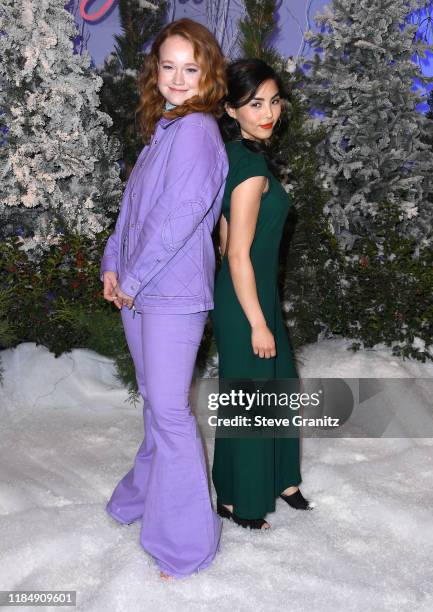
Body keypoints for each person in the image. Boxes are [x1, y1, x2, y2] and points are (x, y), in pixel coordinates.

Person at [100, 18, 228, 579]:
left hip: (171, 294)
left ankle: (185, 545)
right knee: (157, 402)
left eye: (190, 68)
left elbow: (176, 223)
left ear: (208, 75)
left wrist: (131, 277)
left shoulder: (198, 131)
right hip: (140, 291)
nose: (178, 78)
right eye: (168, 66)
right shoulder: (165, 130)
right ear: (157, 70)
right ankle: (139, 500)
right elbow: (132, 214)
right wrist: (112, 266)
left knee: (171, 412)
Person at [211, 59, 312, 530]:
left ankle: (280, 479)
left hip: (250, 292)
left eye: (273, 100)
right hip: (247, 296)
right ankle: (239, 502)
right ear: (231, 109)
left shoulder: (235, 154)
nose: (268, 111)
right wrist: (256, 321)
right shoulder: (249, 167)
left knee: (274, 386)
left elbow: (225, 237)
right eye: (255, 103)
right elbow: (236, 255)